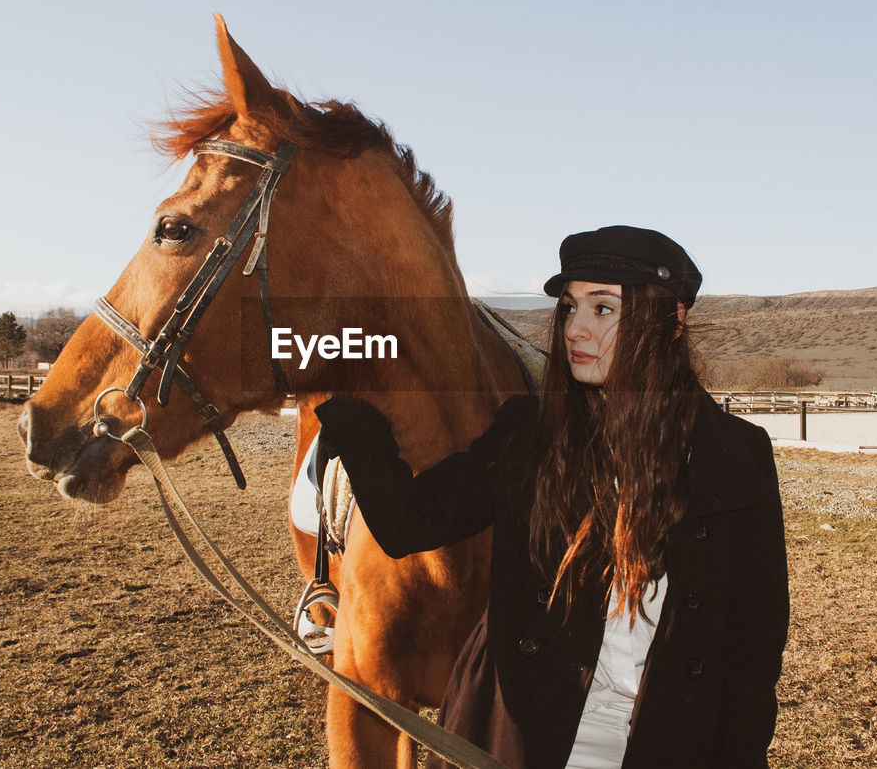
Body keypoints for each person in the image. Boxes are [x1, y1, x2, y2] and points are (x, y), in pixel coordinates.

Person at [315, 226, 789, 768]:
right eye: (569, 307)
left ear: (671, 321)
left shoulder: (737, 453)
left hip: (663, 741)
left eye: (604, 309)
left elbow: (754, 641)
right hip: (522, 737)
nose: (576, 328)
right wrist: (348, 401)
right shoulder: (531, 432)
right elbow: (409, 522)